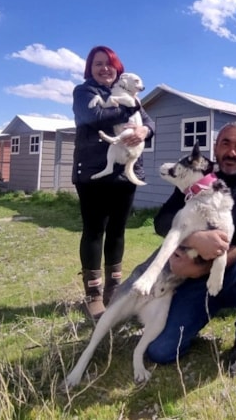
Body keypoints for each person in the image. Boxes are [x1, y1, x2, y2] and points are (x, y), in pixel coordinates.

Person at [144, 121, 236, 378]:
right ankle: (196, 312)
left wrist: (202, 268)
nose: (232, 152)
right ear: (215, 148)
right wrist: (195, 239)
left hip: (233, 273)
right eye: (225, 143)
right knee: (160, 351)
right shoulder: (197, 178)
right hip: (193, 282)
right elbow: (162, 222)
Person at [72, 45, 155, 320]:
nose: (104, 68)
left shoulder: (130, 95)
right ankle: (93, 295)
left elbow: (150, 124)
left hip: (124, 174)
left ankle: (113, 291)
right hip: (93, 172)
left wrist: (143, 129)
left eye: (109, 64)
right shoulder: (84, 92)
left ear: (118, 69)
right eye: (98, 64)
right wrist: (131, 110)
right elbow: (94, 118)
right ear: (90, 69)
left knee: (118, 231)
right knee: (94, 231)